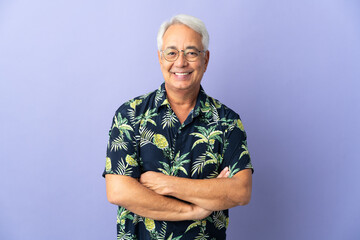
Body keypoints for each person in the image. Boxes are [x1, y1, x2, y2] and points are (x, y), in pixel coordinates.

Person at [103, 14, 253, 239]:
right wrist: (195, 210)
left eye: (191, 53)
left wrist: (167, 184)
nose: (181, 62)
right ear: (160, 58)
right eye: (171, 53)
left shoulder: (227, 122)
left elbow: (241, 191)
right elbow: (118, 191)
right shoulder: (130, 115)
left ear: (206, 59)